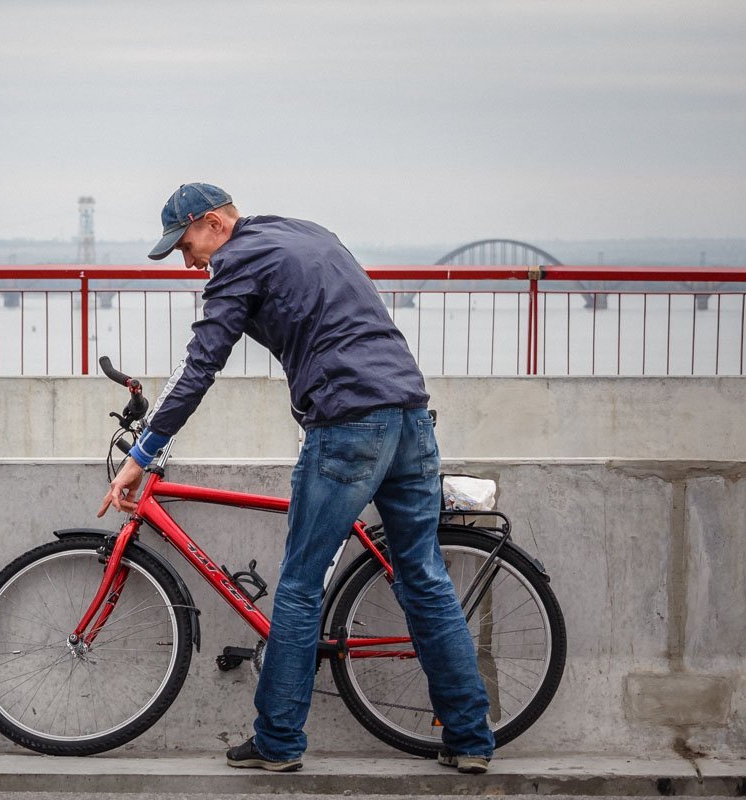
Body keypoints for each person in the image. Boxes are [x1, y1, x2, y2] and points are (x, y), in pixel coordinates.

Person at [99, 183, 495, 774]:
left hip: (347, 426)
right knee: (426, 579)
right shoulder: (306, 231)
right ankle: (470, 740)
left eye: (185, 244)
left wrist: (145, 454)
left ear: (214, 223)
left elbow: (200, 364)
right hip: (411, 416)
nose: (188, 261)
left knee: (302, 585)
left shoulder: (236, 259)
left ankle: (279, 742)